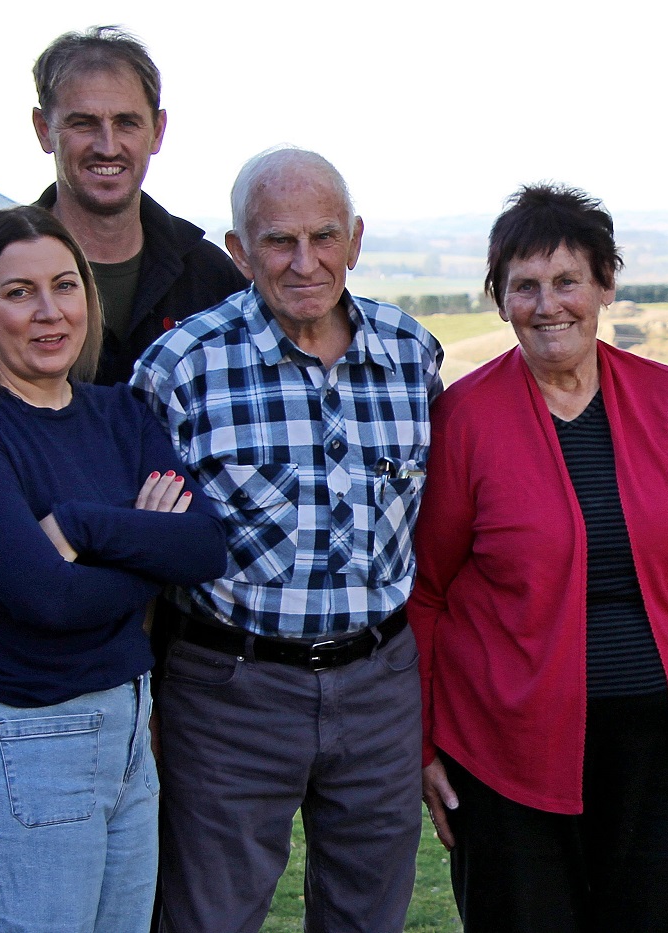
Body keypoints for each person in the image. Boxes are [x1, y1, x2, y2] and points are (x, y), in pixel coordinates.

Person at [410, 183, 668, 932]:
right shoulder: (465, 419)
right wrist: (420, 743)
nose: (549, 305)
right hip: (505, 759)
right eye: (525, 287)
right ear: (501, 299)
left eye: (568, 280)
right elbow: (423, 593)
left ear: (605, 284)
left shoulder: (667, 398)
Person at [0, 25, 245, 708]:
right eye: (83, 123)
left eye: (127, 121)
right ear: (43, 129)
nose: (107, 144)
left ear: (158, 131)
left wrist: (90, 531)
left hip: (185, 661)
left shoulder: (208, 276)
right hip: (25, 666)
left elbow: (214, 519)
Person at [129, 147, 443, 933]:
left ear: (356, 240)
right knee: (210, 914)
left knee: (369, 914)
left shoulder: (412, 356)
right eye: (278, 241)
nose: (306, 262)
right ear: (237, 251)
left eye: (324, 237)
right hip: (229, 688)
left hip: (379, 684)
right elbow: (136, 550)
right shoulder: (180, 368)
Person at [0, 205, 226, 932]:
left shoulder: (122, 414)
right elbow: (46, 597)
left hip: (126, 737)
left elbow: (205, 547)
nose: (50, 312)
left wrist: (82, 526)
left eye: (66, 285)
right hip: (20, 743)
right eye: (18, 293)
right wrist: (147, 542)